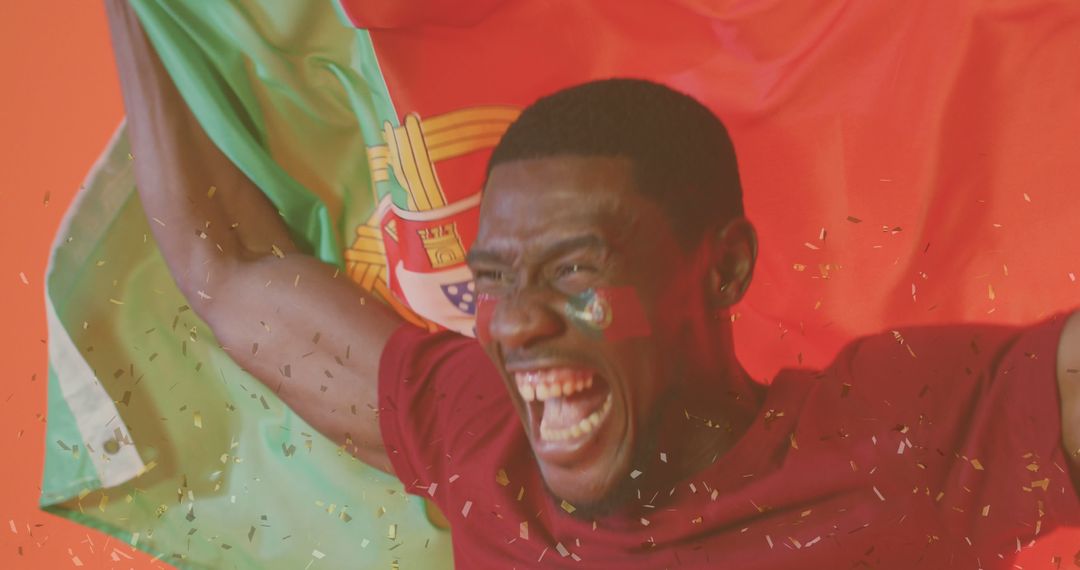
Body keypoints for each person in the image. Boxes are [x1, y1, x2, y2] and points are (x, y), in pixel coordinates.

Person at [107, 2, 1080, 567]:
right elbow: (228, 271)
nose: (516, 322)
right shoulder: (483, 440)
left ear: (726, 267)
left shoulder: (890, 434)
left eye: (575, 269)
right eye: (492, 277)